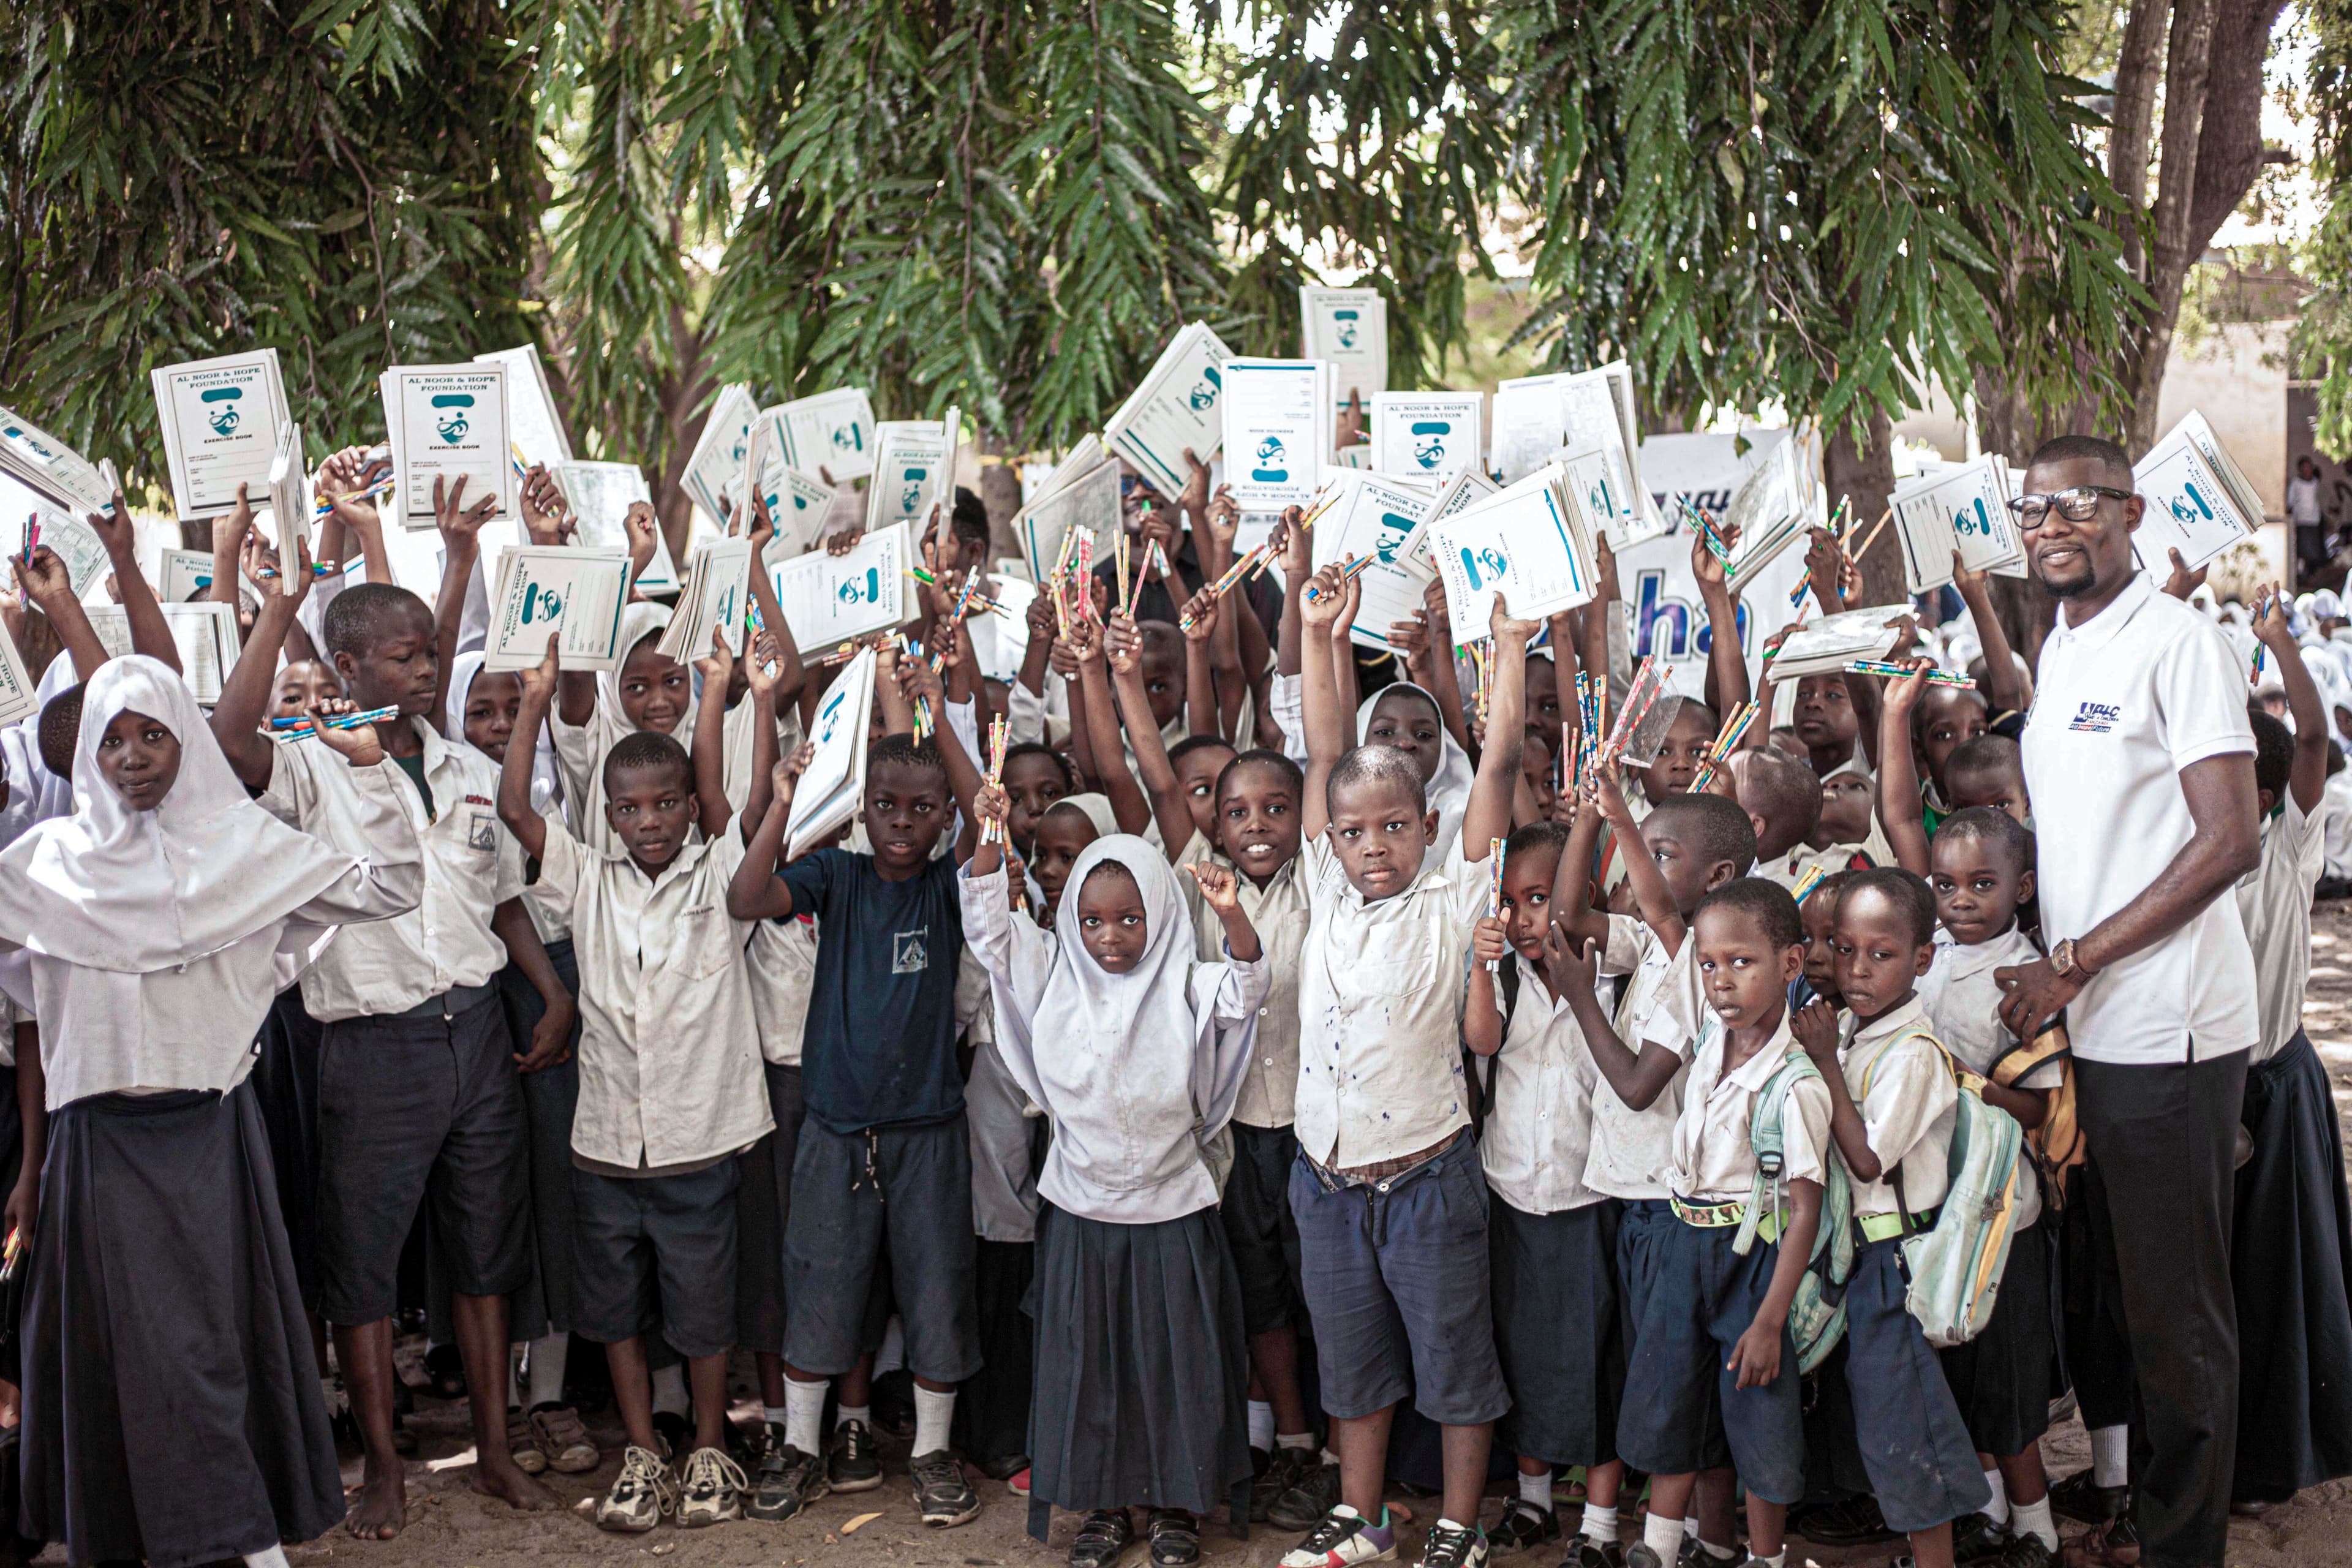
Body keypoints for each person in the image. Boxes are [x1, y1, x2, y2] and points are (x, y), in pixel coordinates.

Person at [3, 651, 423, 1568]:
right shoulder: (41, 867)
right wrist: (32, 1166)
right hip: (97, 1152)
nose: (134, 757)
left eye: (154, 733)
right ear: (87, 759)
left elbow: (393, 887)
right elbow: (26, 1011)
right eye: (112, 740)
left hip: (209, 1140)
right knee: (128, 1369)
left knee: (209, 1360)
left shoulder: (245, 851)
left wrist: (370, 767)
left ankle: (246, 1544)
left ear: (187, 739)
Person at [212, 518, 578, 1540]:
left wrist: (550, 994)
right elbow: (232, 747)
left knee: (482, 1250)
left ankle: (496, 1448)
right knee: (364, 1267)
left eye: (430, 653)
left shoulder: (463, 768)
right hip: (371, 1047)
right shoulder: (305, 766)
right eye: (408, 656)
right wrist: (275, 607)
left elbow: (502, 900)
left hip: (474, 1037)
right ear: (348, 663)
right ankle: (382, 1468)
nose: (429, 669)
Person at [1993, 434, 2263, 1568]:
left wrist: (2077, 960)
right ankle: (2153, 1523)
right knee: (2132, 1301)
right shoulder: (2063, 646)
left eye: (2077, 506)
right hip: (2097, 1025)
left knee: (2177, 1314)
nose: (2054, 526)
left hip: (2169, 1025)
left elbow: (2232, 840)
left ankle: (2187, 1545)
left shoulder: (2179, 643)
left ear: (2132, 511)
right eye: (2036, 510)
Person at [1275, 568, 1527, 1568]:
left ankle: (1461, 1528)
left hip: (1426, 1176)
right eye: (1353, 831)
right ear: (1329, 840)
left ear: (1429, 827)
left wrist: (1505, 649)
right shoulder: (1328, 894)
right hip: (1326, 1178)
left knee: (1456, 1364)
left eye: (1394, 827)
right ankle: (1363, 1517)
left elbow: (1499, 763)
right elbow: (1327, 750)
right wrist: (1321, 634)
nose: (1373, 845)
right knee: (1352, 1366)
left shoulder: (1454, 899)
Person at [499, 635, 777, 1530]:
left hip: (700, 1142)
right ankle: (643, 1456)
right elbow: (515, 808)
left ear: (692, 810)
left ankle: (706, 1449)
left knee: (701, 1314)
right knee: (615, 1313)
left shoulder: (721, 877)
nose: (651, 821)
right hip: (610, 1146)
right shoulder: (587, 877)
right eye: (630, 808)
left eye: (667, 805)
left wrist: (731, 693)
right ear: (609, 816)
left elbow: (751, 795)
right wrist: (536, 700)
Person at [961, 814, 1266, 1568]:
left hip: (1172, 1212)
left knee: (1174, 1364)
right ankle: (1103, 1505)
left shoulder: (1188, 984)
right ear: (1070, 918)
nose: (1110, 936)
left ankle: (1176, 1507)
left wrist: (1229, 912)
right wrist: (991, 838)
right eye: (1092, 920)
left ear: (1160, 915)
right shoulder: (1051, 974)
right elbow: (991, 931)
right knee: (1092, 1365)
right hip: (1082, 1211)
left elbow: (1248, 986)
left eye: (1130, 919)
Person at [726, 684, 988, 1529]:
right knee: (821, 1287)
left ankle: (932, 1454)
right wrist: (783, 803)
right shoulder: (834, 874)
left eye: (922, 808)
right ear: (860, 810)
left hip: (928, 1130)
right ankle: (801, 1449)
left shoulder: (950, 885)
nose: (903, 823)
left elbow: (985, 820)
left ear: (944, 813)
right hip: (836, 1129)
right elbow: (745, 896)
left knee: (937, 1288)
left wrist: (939, 718)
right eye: (885, 806)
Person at [1568, 878, 1827, 1568]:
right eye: (1709, 965)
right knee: (1669, 1395)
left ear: (1791, 965)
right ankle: (1659, 1547)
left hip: (1752, 1259)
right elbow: (1661, 912)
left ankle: (1766, 1559)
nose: (1720, 979)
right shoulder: (1711, 1036)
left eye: (1741, 963)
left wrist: (1770, 1320)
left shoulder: (1795, 1082)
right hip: (1686, 1241)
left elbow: (1806, 1208)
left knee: (1759, 1412)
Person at [1798, 869, 1991, 1568]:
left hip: (1896, 1264)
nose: (1856, 969)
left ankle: (1935, 1557)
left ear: (1922, 959)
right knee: (1876, 1413)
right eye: (1844, 950)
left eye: (1880, 954)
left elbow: (1869, 1160)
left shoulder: (1913, 1055)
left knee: (1903, 1416)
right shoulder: (1854, 1030)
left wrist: (1823, 1063)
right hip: (1855, 1257)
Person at [1464, 818, 1625, 1564]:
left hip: (1590, 1201)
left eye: (1541, 897)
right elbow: (1483, 1046)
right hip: (1512, 1197)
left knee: (1596, 1360)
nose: (1526, 917)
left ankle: (1597, 1520)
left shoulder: (1614, 976)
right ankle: (1531, 1502)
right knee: (1522, 1354)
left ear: (1581, 894)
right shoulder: (1500, 978)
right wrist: (1479, 967)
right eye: (1512, 900)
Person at [2228, 598, 2352, 1511]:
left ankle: (2279, 1455)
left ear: (2263, 798)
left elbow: (2310, 738)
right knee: (2218, 1278)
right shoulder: (2179, 861)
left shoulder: (2286, 848)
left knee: (2281, 1277)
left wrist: (2277, 642)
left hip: (2277, 1086)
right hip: (2200, 1094)